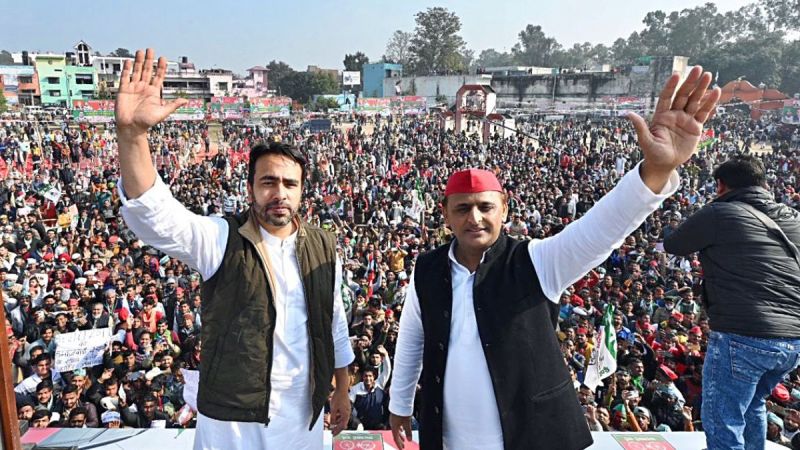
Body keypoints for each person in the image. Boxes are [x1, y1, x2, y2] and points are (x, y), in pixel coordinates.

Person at [389, 66, 720, 449]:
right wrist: (400, 404)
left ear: (504, 210)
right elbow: (412, 336)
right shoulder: (428, 269)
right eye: (462, 208)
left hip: (530, 438)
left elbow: (600, 230)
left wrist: (656, 170)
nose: (474, 218)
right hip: (448, 437)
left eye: (485, 207)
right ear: (445, 214)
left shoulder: (536, 261)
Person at [114, 48, 354, 449]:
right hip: (233, 423)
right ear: (250, 188)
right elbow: (156, 217)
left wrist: (342, 388)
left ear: (302, 191)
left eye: (290, 184)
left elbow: (334, 322)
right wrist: (133, 137)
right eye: (268, 182)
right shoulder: (222, 239)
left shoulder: (323, 245)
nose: (279, 193)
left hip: (302, 417)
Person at [664, 153, 800, 450]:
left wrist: (709, 209)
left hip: (743, 335)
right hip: (792, 340)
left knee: (723, 418)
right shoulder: (794, 218)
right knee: (753, 404)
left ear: (721, 185)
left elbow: (673, 243)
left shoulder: (720, 213)